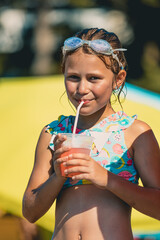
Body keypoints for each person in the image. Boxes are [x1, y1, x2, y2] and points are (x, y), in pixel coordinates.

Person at [22, 28, 160, 240]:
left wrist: (105, 178)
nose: (82, 88)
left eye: (94, 78)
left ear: (118, 79)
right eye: (74, 77)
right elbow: (30, 212)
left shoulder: (135, 133)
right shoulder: (54, 133)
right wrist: (58, 177)